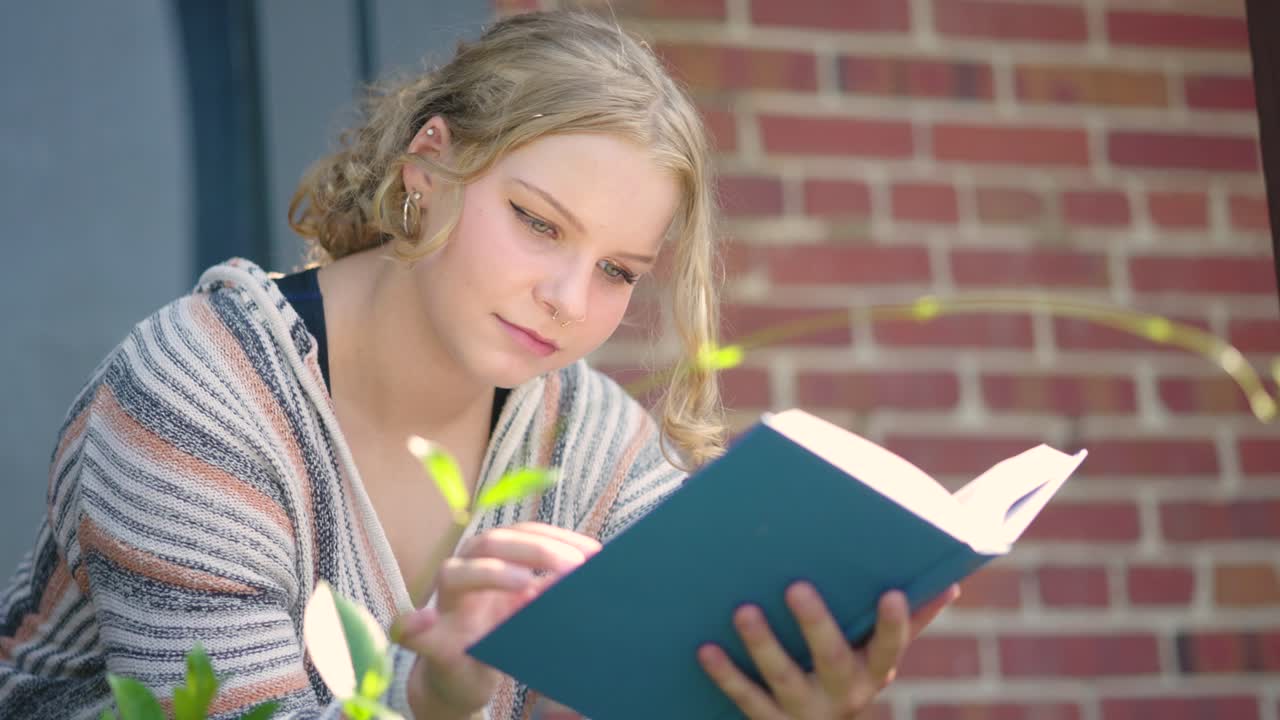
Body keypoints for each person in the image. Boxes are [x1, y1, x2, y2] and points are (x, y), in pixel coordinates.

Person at [0, 10, 956, 720]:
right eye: (538, 224)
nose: (569, 301)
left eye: (619, 270)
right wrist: (430, 699)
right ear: (429, 166)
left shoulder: (589, 446)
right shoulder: (198, 397)